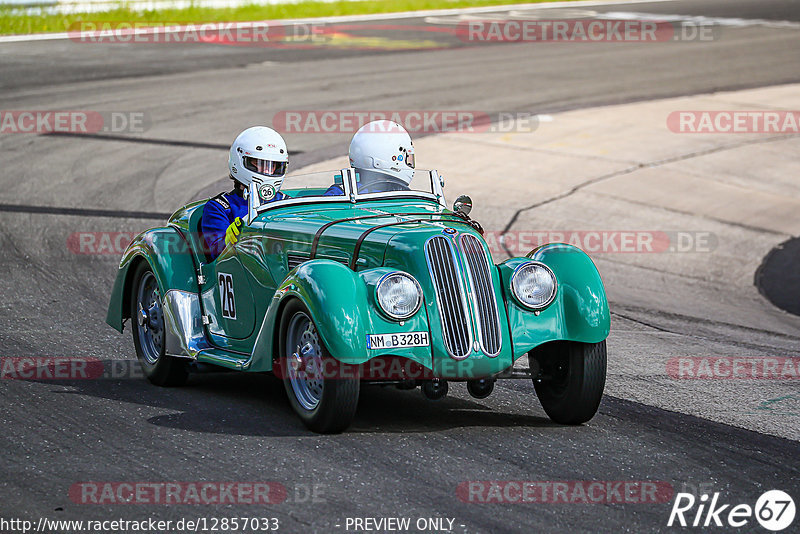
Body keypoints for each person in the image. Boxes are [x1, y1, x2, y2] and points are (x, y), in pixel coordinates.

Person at [201, 126, 289, 259]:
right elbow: (216, 253)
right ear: (240, 161)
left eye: (273, 166)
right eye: (258, 163)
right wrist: (229, 240)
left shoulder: (285, 202)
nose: (267, 172)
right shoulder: (220, 207)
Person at [325, 120, 415, 196]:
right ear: (393, 158)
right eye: (407, 158)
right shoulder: (403, 197)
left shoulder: (340, 192)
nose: (410, 164)